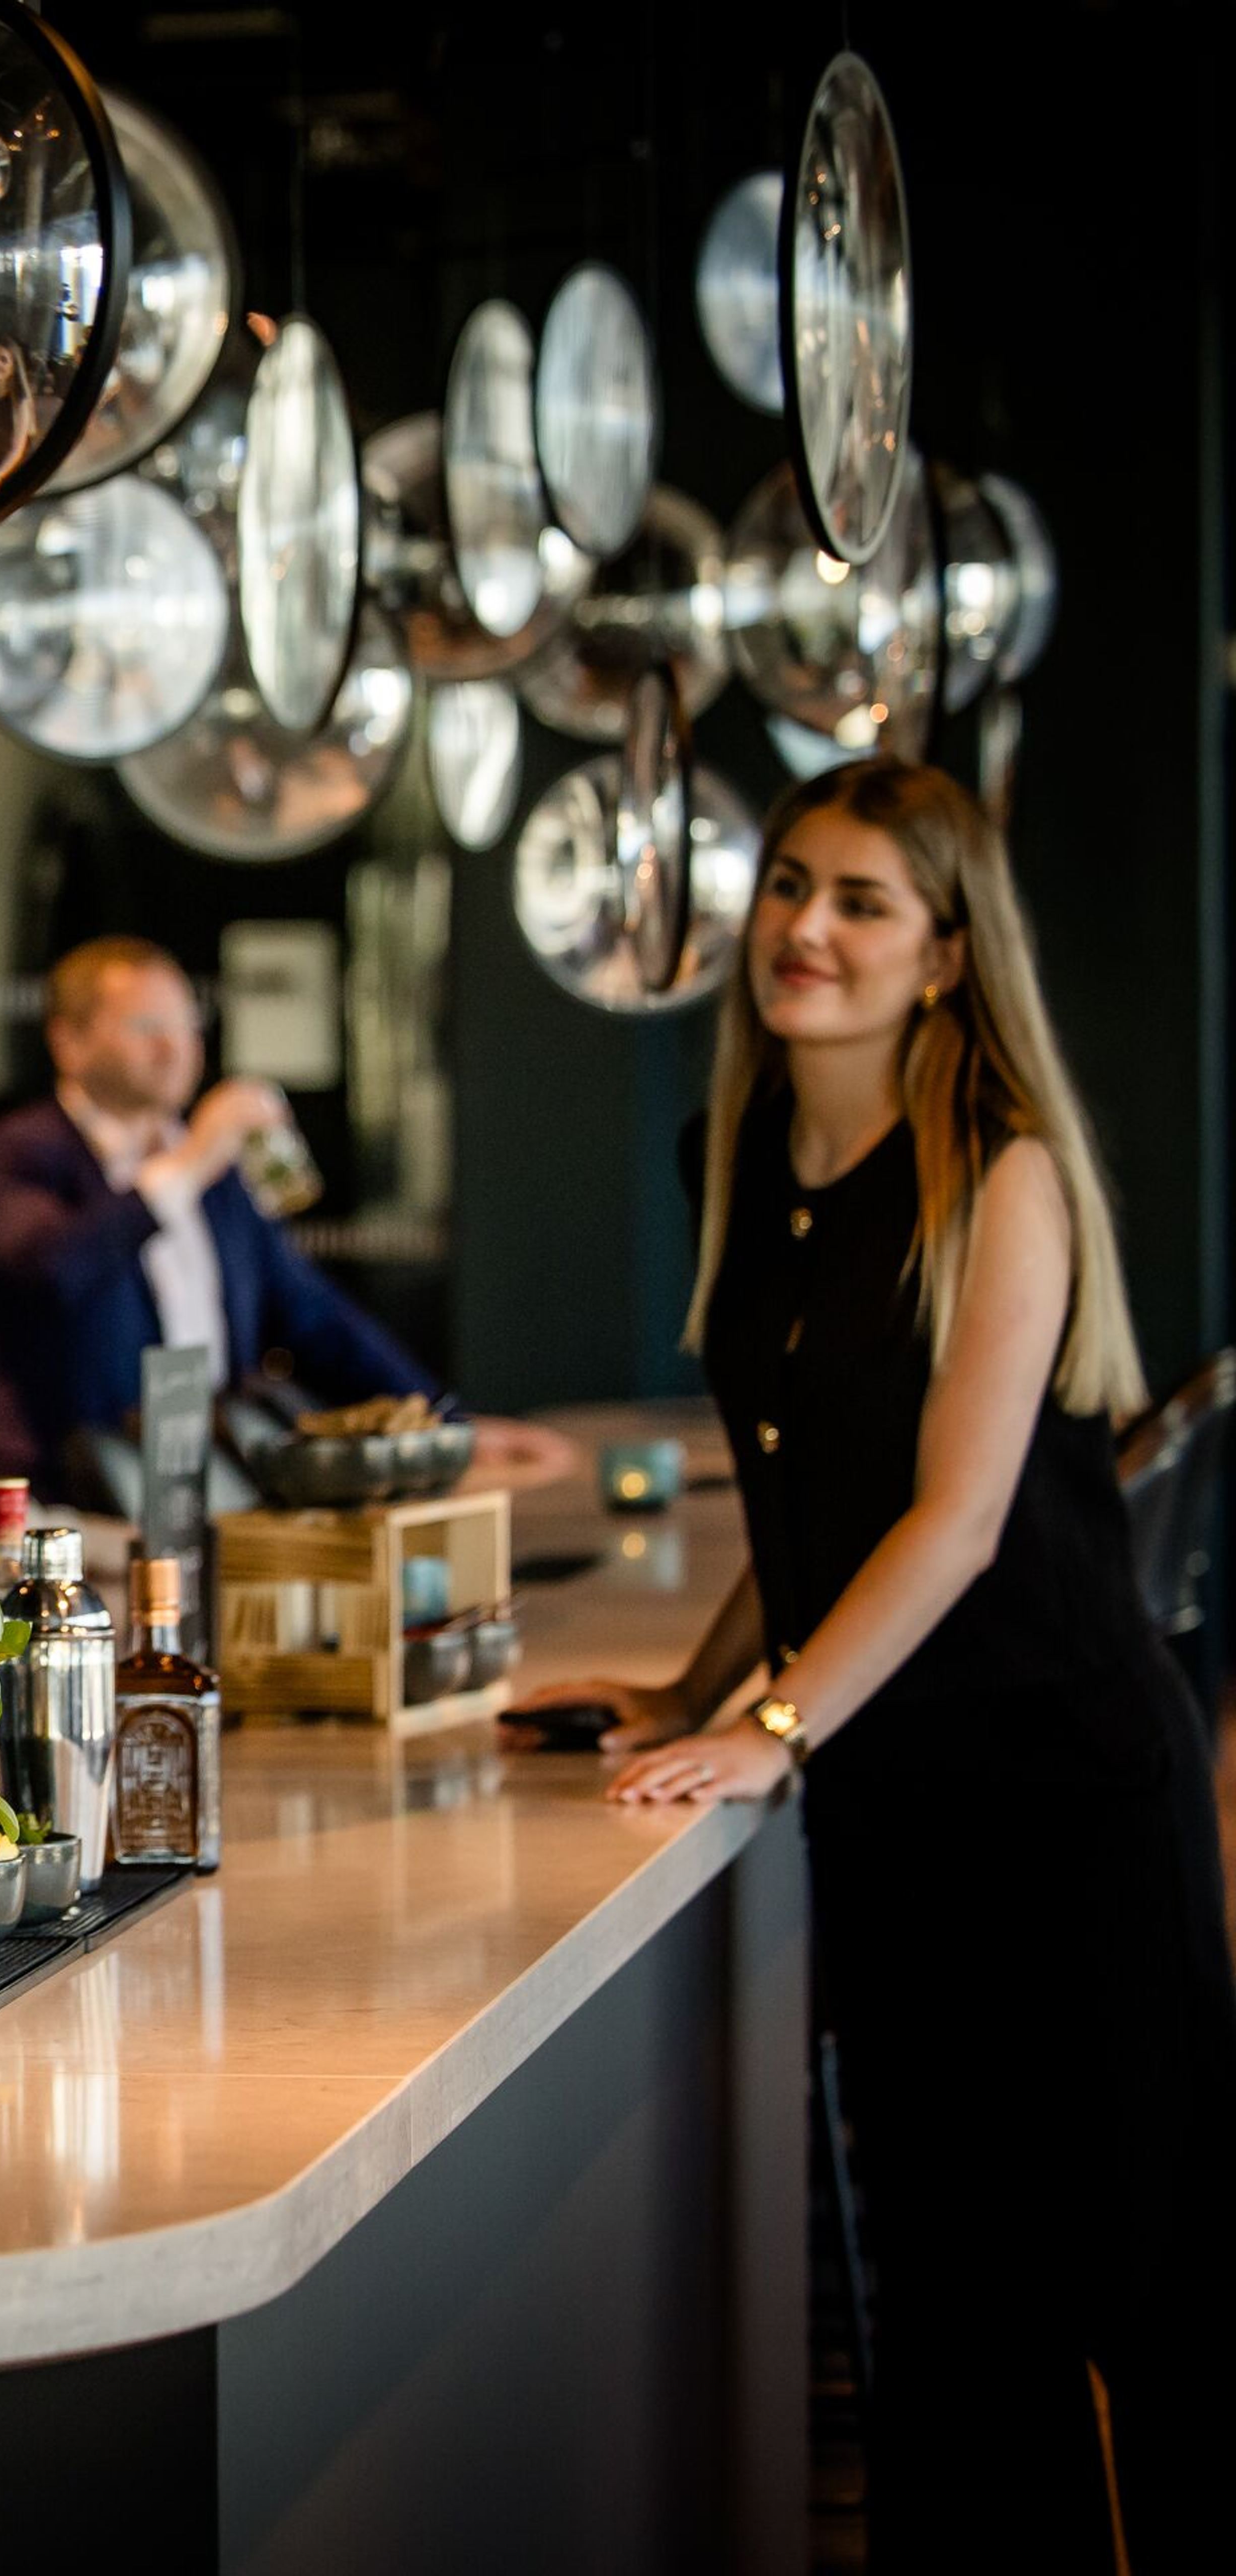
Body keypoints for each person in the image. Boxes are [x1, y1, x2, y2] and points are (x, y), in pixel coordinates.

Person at [517, 760, 1234, 2566]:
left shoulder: (1002, 1175)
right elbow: (803, 1505)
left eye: (857, 902)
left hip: (1071, 1793)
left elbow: (956, 1520)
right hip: (904, 1803)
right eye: (784, 886)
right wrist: (690, 1701)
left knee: (1150, 2301)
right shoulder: (736, 1161)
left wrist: (768, 1727)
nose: (801, 929)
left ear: (940, 953)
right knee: (958, 2309)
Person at [0, 935, 564, 1488]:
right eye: (146, 1025)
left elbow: (312, 1315)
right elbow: (51, 1267)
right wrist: (193, 1160)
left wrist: (444, 1420)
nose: (174, 1046)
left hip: (209, 1481)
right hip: (65, 1493)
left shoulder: (216, 1171)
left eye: (185, 1023)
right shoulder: (20, 1153)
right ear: (68, 1041)